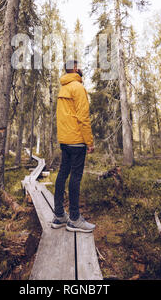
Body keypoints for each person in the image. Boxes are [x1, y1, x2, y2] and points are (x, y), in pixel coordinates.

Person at [51, 59, 96, 233]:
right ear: (75, 69)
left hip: (65, 140)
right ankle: (75, 219)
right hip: (77, 140)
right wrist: (89, 142)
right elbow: (83, 117)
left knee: (63, 174)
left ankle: (59, 215)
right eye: (79, 66)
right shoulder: (78, 88)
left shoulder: (63, 88)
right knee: (75, 177)